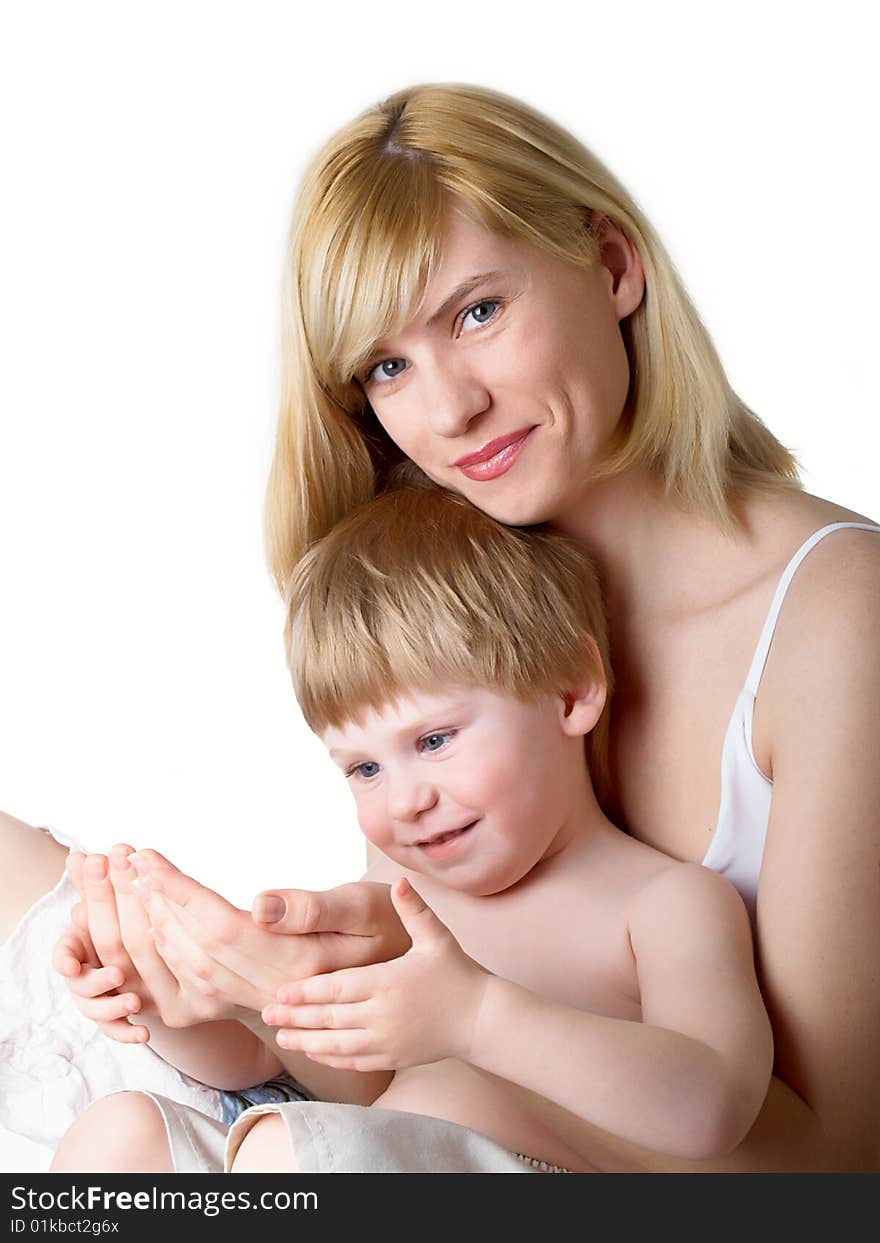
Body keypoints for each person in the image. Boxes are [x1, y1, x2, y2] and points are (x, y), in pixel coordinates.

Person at [7, 80, 880, 1171]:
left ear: (613, 266)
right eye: (386, 365)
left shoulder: (836, 616)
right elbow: (378, 1038)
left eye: (477, 312)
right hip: (387, 1121)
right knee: (70, 970)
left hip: (563, 1163)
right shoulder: (450, 589)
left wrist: (461, 1055)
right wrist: (235, 988)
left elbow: (836, 1166)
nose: (450, 409)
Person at [51, 487, 773, 1174]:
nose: (404, 801)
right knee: (124, 1135)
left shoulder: (663, 904)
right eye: (364, 768)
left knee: (316, 1143)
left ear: (571, 690)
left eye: (433, 741)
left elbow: (711, 1110)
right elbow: (344, 1091)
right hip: (369, 1164)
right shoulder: (393, 898)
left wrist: (479, 1017)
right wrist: (196, 997)